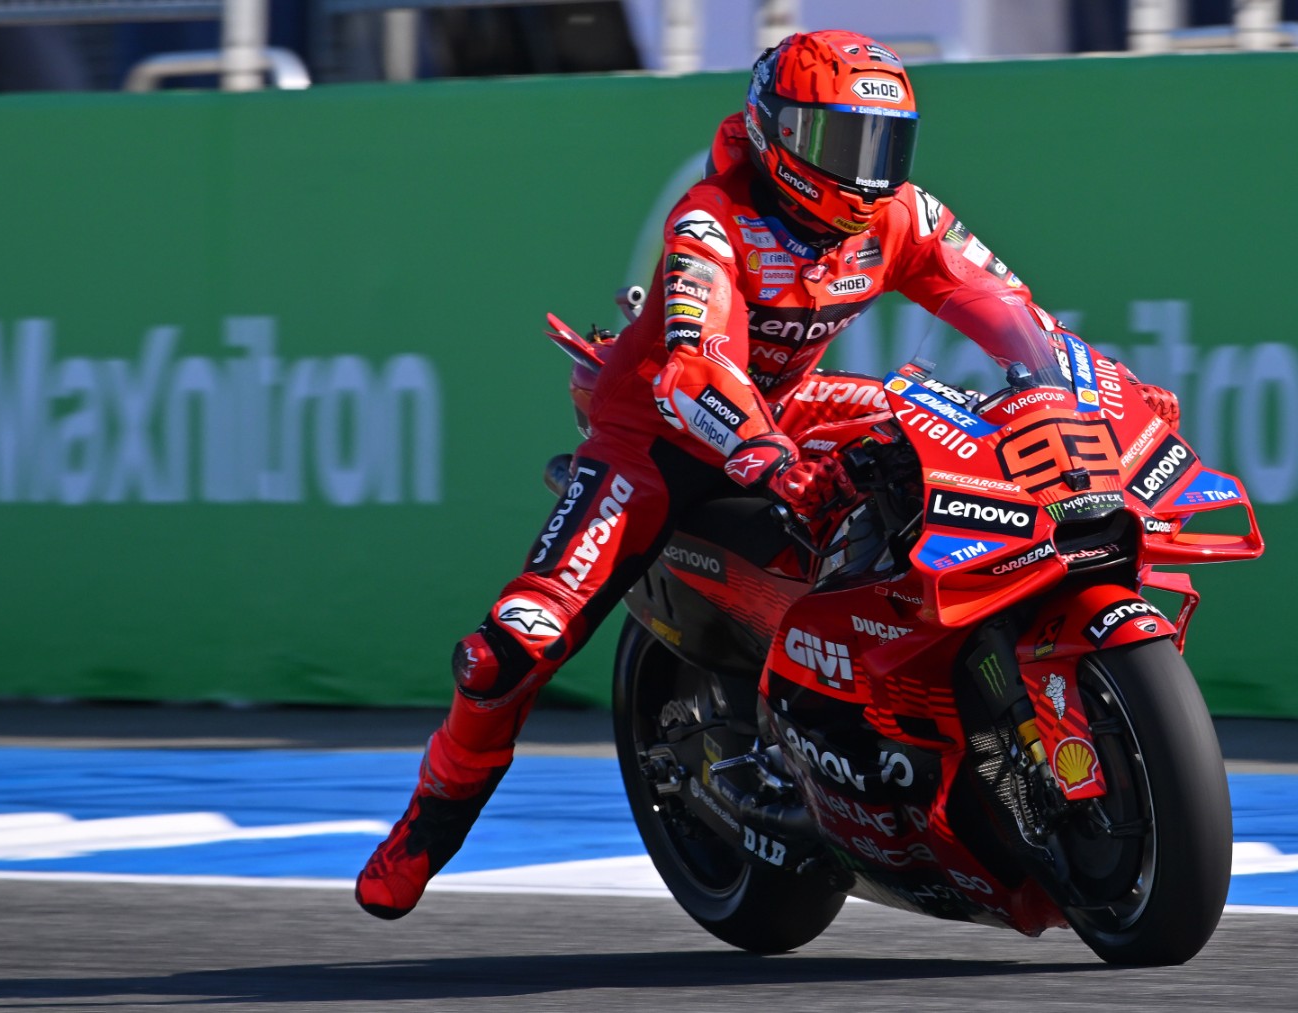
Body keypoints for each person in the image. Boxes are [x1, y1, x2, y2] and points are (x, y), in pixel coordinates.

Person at [355, 28, 1179, 919]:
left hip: (791, 403)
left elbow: (1014, 314)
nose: (863, 171)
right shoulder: (712, 220)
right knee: (509, 644)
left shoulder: (903, 214)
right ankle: (423, 830)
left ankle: (905, 687)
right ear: (775, 129)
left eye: (882, 144)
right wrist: (768, 460)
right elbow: (694, 369)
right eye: (838, 142)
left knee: (952, 429)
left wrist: (1101, 391)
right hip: (659, 437)